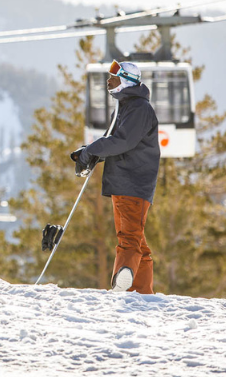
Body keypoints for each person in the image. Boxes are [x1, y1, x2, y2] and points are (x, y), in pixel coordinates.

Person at [71, 61, 160, 293]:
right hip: (121, 181)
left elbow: (123, 142)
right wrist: (88, 154)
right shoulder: (123, 107)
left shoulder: (139, 108)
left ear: (126, 81)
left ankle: (123, 278)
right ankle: (141, 291)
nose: (108, 80)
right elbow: (111, 141)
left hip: (134, 181)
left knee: (129, 236)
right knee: (138, 241)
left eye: (113, 76)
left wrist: (92, 150)